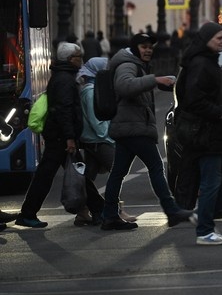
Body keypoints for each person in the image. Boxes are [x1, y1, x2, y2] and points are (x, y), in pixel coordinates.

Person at [101, 33, 194, 231]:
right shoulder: (128, 65)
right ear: (135, 48)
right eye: (144, 46)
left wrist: (159, 82)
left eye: (150, 46)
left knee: (118, 173)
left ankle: (109, 215)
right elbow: (124, 86)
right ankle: (172, 211)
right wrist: (155, 79)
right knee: (155, 167)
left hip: (128, 126)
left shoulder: (135, 65)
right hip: (134, 127)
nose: (148, 50)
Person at [14, 43, 105, 228]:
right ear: (69, 59)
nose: (81, 60)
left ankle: (98, 210)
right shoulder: (65, 79)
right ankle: (28, 213)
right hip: (61, 137)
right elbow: (64, 110)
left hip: (59, 135)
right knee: (59, 174)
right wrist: (70, 137)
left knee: (74, 173)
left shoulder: (63, 76)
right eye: (78, 57)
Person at [177, 22, 222, 246]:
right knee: (211, 182)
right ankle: (205, 231)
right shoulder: (201, 64)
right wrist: (219, 114)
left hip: (219, 134)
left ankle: (205, 213)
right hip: (208, 135)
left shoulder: (209, 62)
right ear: (206, 40)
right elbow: (194, 99)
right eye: (218, 38)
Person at [75, 56, 135, 226]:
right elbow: (97, 122)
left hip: (92, 141)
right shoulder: (90, 91)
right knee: (117, 173)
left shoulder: (91, 88)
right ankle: (116, 211)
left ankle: (82, 211)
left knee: (87, 179)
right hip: (99, 141)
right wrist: (110, 138)